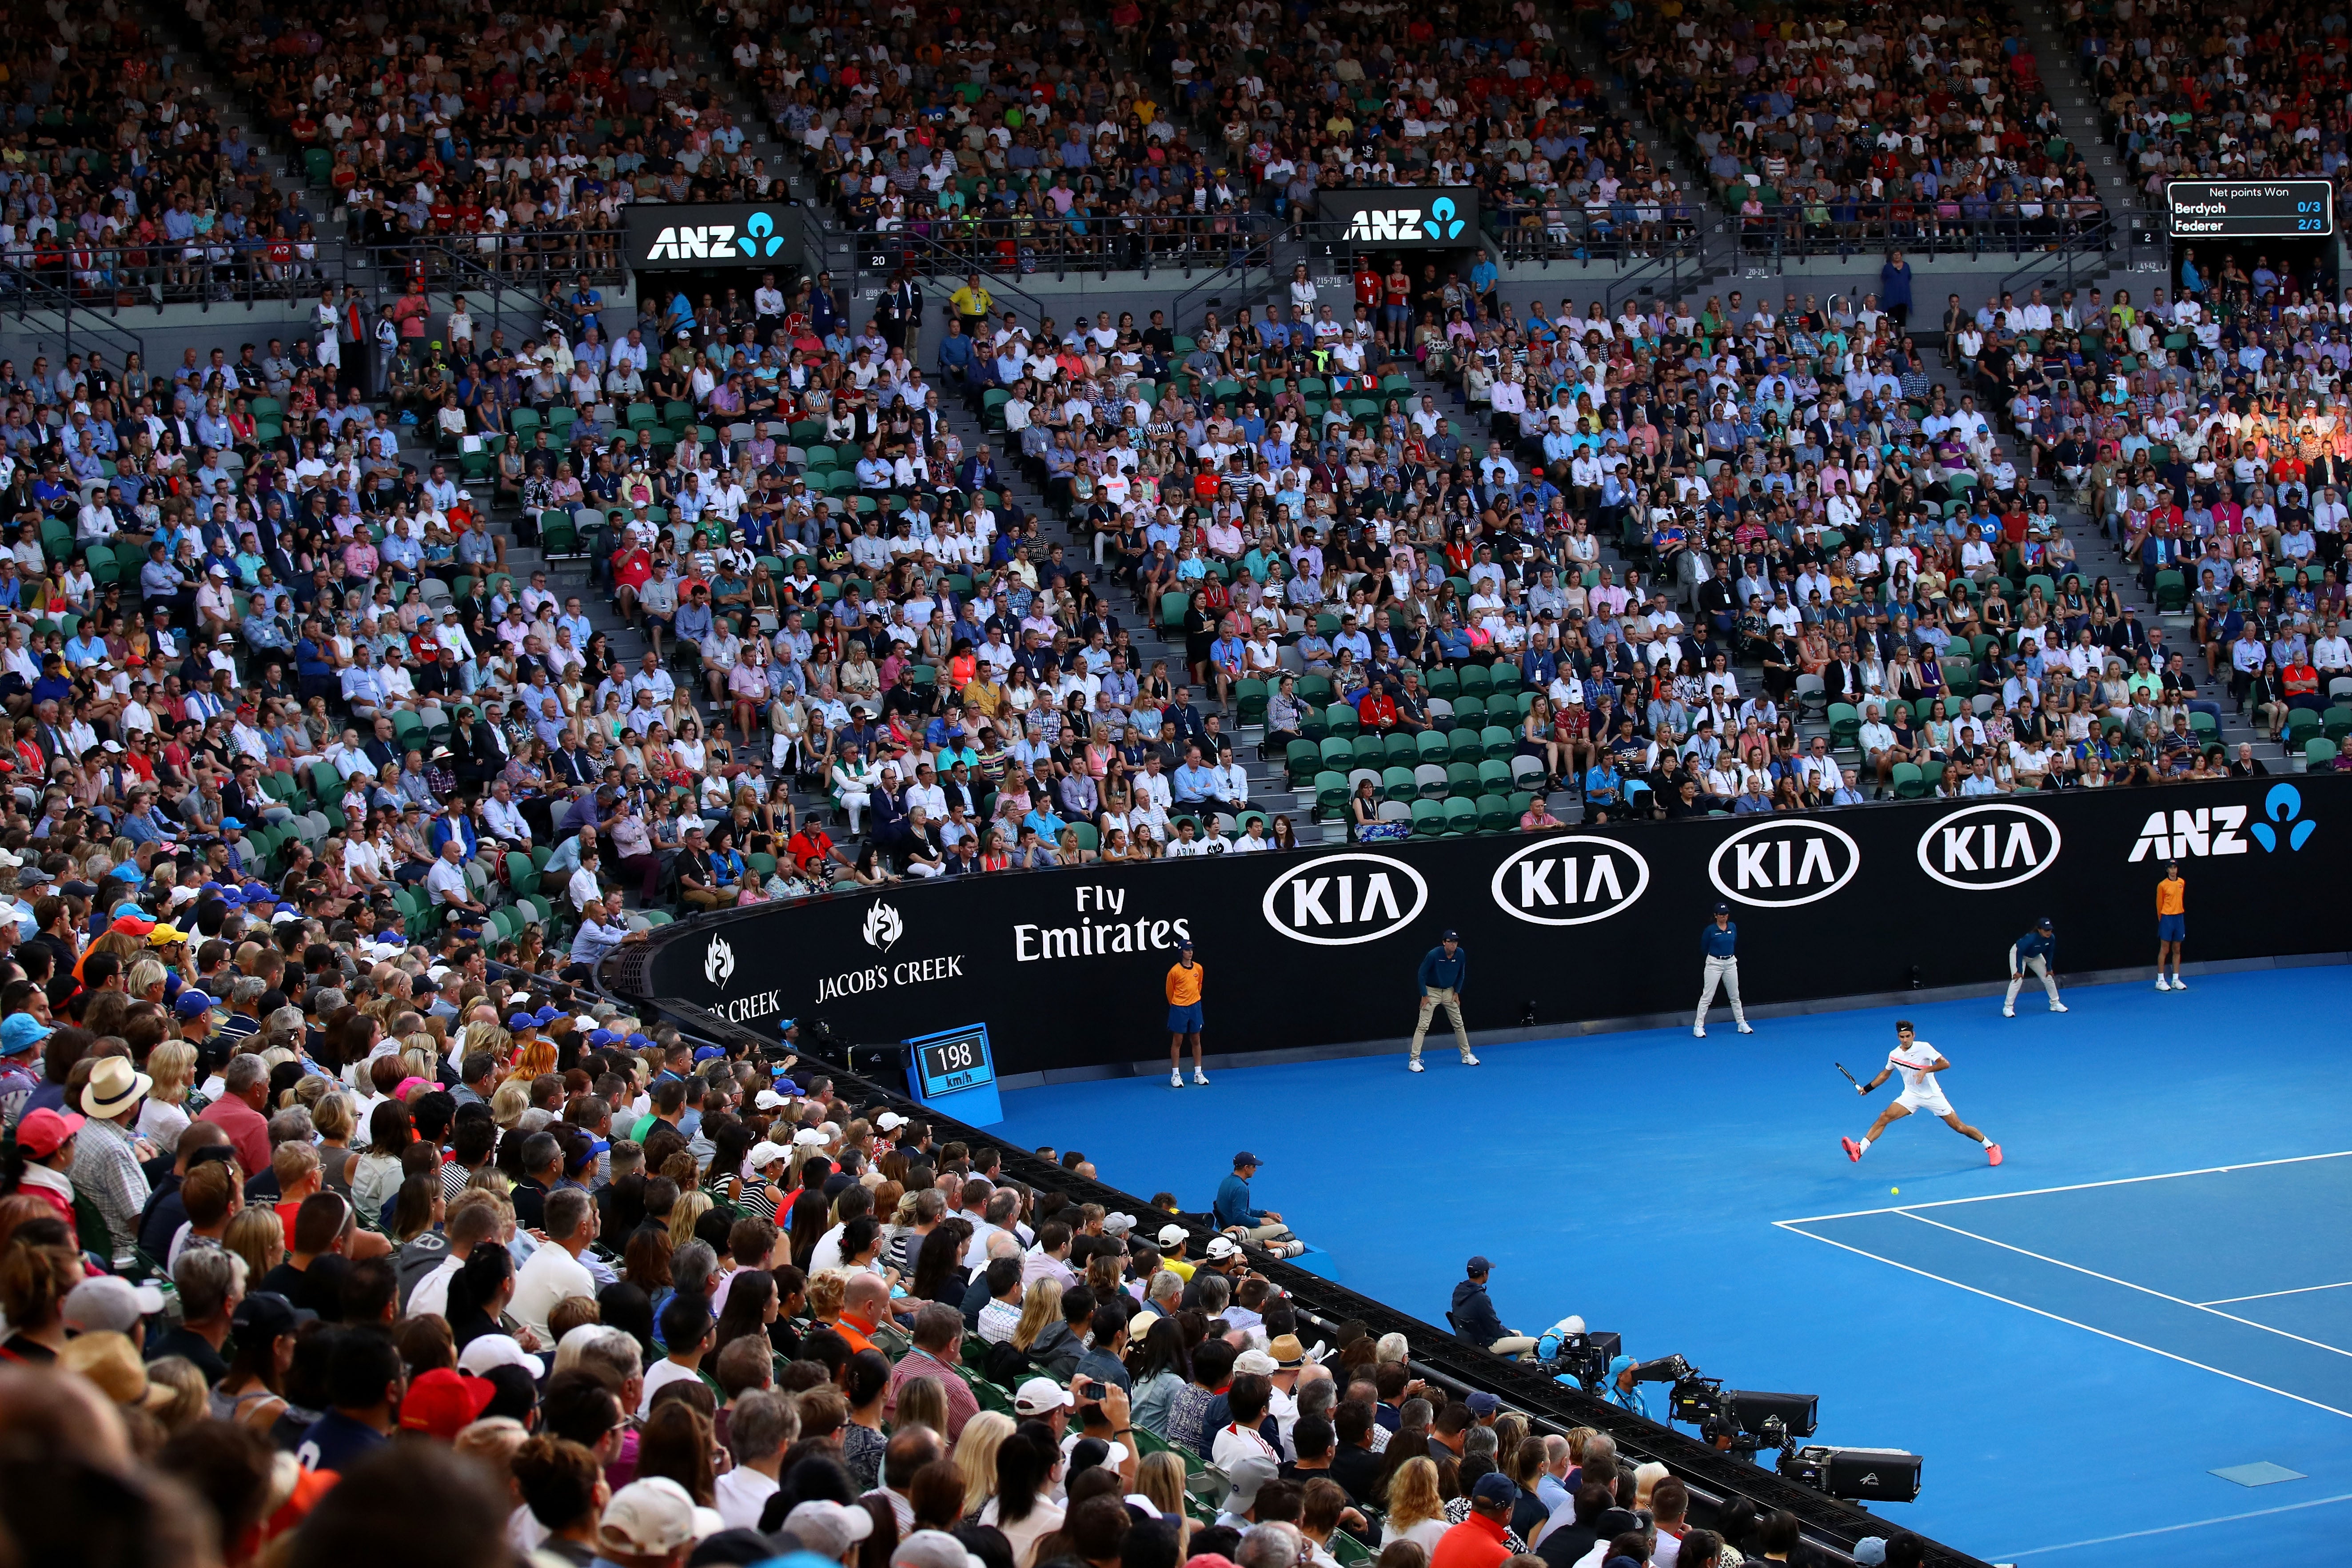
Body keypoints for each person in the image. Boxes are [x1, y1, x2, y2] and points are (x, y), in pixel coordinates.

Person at [1843, 1021, 2003, 1167]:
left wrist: (1926, 1070)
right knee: (1885, 1116)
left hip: (1933, 1096)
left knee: (1959, 1127)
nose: (1905, 1040)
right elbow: (1885, 1074)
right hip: (1911, 1095)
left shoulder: (1924, 1047)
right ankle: (1860, 1149)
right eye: (1902, 1037)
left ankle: (1991, 1146)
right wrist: (1867, 1088)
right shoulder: (1894, 1054)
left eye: (1908, 1036)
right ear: (1898, 1037)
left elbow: (1945, 1064)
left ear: (1914, 1035)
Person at [1408, 929, 1478, 1073]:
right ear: (1444, 943)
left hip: (1449, 992)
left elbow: (1461, 973)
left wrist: (1457, 992)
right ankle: (1413, 1060)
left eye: (1455, 942)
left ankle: (1466, 1055)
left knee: (1459, 1024)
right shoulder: (1434, 955)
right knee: (1423, 1026)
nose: (1453, 944)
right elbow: (1421, 974)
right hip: (1431, 992)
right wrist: (1424, 994)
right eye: (1450, 942)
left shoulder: (1461, 954)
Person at [1212, 1152, 1301, 1258]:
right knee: (1282, 1228)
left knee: (1271, 1222)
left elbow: (1242, 1210)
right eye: (1254, 1166)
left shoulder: (1227, 1181)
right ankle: (1265, 1248)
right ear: (1246, 1168)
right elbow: (1240, 1218)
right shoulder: (1241, 1188)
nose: (1255, 1169)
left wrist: (1266, 1214)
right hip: (1239, 1232)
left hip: (1225, 1227)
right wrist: (1262, 1221)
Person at [1448, 1257, 1534, 1359]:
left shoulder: (1459, 1290)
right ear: (1485, 1274)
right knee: (1532, 1344)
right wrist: (1511, 1335)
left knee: (1518, 1334)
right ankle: (1521, 1372)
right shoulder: (1481, 1299)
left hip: (1471, 1339)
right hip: (1486, 1345)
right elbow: (1494, 1328)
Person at [1694, 903, 1752, 1038]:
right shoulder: (1710, 930)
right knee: (1707, 996)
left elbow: (1734, 942)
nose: (1724, 917)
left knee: (1735, 996)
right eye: (1721, 914)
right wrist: (1715, 958)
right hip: (1714, 964)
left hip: (1731, 963)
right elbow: (1704, 947)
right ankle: (1698, 1026)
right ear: (1715, 916)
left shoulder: (1733, 927)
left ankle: (1741, 1023)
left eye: (1726, 914)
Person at [2004, 917, 2068, 1018]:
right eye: (2046, 930)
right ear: (2039, 930)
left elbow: (2050, 953)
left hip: (2035, 956)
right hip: (2018, 954)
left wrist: (2049, 968)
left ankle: (2055, 1004)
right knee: (2018, 979)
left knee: (2048, 977)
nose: (2049, 932)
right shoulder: (2031, 938)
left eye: (2050, 930)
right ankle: (2008, 1007)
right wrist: (2019, 971)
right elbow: (2019, 952)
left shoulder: (2052, 938)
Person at [1166, 937, 1206, 1088]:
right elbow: (1170, 992)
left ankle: (1198, 1073)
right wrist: (1179, 1004)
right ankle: (1176, 1075)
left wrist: (1193, 1001)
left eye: (1191, 950)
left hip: (1195, 1008)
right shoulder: (1174, 971)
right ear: (1181, 952)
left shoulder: (1199, 969)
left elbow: (1199, 986)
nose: (1190, 953)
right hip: (1179, 1008)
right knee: (1178, 1041)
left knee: (1196, 1039)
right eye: (1187, 950)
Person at [2155, 859, 2188, 991]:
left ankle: (2175, 979)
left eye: (2175, 868)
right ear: (2167, 870)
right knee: (2165, 949)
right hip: (2167, 918)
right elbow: (2159, 905)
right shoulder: (2162, 885)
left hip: (2179, 918)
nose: (2173, 871)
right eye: (2171, 868)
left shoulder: (2182, 883)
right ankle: (2160, 980)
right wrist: (2162, 921)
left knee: (2177, 949)